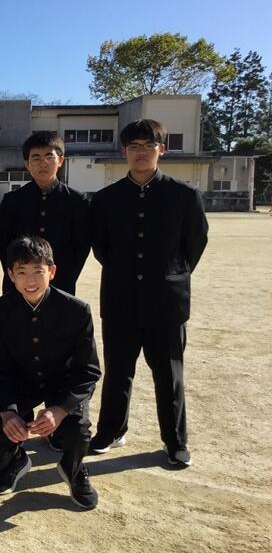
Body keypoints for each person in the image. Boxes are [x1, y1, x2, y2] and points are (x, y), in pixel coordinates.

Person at [88, 119, 208, 467]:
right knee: (118, 371)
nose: (141, 153)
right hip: (120, 298)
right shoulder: (106, 199)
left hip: (166, 302)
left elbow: (194, 245)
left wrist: (169, 275)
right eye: (133, 147)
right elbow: (101, 247)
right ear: (123, 152)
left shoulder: (184, 196)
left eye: (148, 146)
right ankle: (111, 430)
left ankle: (175, 440)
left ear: (161, 150)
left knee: (169, 374)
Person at [0, 236, 101, 510]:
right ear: (11, 275)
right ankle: (13, 462)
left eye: (38, 271)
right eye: (21, 272)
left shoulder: (77, 310)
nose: (30, 280)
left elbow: (88, 370)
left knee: (78, 430)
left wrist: (60, 409)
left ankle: (73, 468)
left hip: (61, 385)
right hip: (21, 384)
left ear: (52, 271)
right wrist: (8, 411)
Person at [0, 131, 90, 296]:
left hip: (61, 285)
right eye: (36, 158)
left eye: (49, 157)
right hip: (18, 286)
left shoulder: (76, 200)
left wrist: (65, 278)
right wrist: (17, 275)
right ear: (27, 164)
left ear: (60, 160)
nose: (43, 163)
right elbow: (2, 242)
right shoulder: (13, 200)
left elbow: (81, 246)